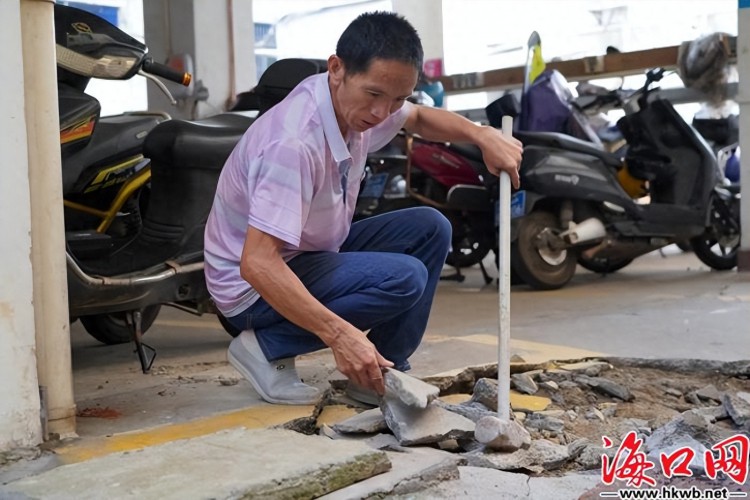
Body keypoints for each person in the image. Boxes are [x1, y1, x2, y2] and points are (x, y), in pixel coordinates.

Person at [204, 11, 522, 406]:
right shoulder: (293, 144)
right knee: (403, 279)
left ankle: (380, 372)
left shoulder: (354, 105)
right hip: (249, 290)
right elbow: (258, 263)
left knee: (431, 227)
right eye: (374, 95)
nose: (382, 113)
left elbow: (420, 116)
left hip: (307, 253)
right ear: (336, 68)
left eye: (397, 98)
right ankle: (265, 346)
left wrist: (481, 134)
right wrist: (340, 335)